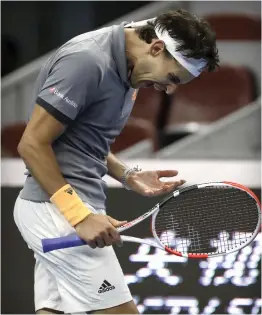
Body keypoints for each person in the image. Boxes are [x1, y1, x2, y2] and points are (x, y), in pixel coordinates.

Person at [14, 8, 219, 315]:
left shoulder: (130, 66)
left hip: (65, 208)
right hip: (57, 212)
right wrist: (80, 216)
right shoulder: (86, 61)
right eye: (172, 77)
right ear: (156, 48)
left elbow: (82, 138)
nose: (169, 89)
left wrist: (127, 174)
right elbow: (31, 143)